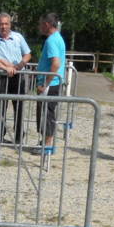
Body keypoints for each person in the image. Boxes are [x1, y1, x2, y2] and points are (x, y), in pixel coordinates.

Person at [0, 12, 31, 143]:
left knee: (19, 106)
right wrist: (5, 64)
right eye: (1, 24)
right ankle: (0, 133)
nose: (4, 26)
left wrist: (20, 65)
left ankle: (19, 135)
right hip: (2, 76)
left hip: (19, 76)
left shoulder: (18, 37)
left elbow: (28, 54)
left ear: (10, 24)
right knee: (1, 106)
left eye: (6, 24)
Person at [34, 13, 66, 155]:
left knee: (46, 114)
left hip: (50, 83)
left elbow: (55, 63)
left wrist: (45, 83)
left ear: (47, 24)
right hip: (53, 82)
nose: (40, 27)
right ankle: (46, 142)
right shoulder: (57, 38)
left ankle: (47, 145)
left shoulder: (52, 40)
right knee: (48, 113)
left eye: (41, 24)